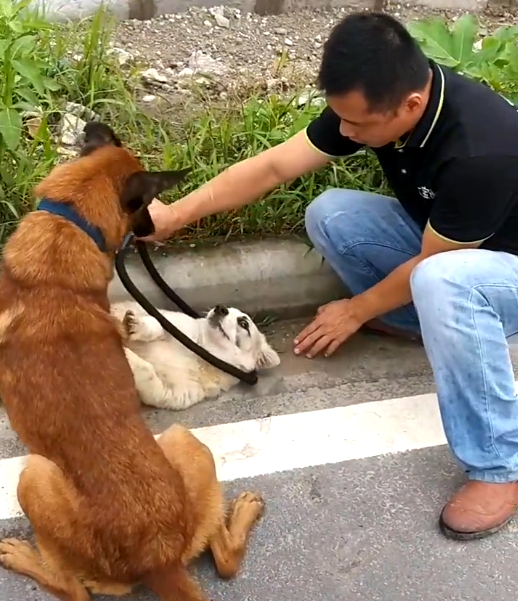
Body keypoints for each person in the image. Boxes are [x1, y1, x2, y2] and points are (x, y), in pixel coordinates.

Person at [142, 11, 518, 541]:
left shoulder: (482, 149)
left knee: (444, 282)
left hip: (502, 270)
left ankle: (499, 466)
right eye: (341, 118)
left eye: (358, 124)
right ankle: (424, 326)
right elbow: (276, 166)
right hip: (456, 248)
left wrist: (356, 308)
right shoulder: (382, 96)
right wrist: (175, 216)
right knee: (333, 213)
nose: (346, 132)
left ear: (410, 105)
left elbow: (436, 262)